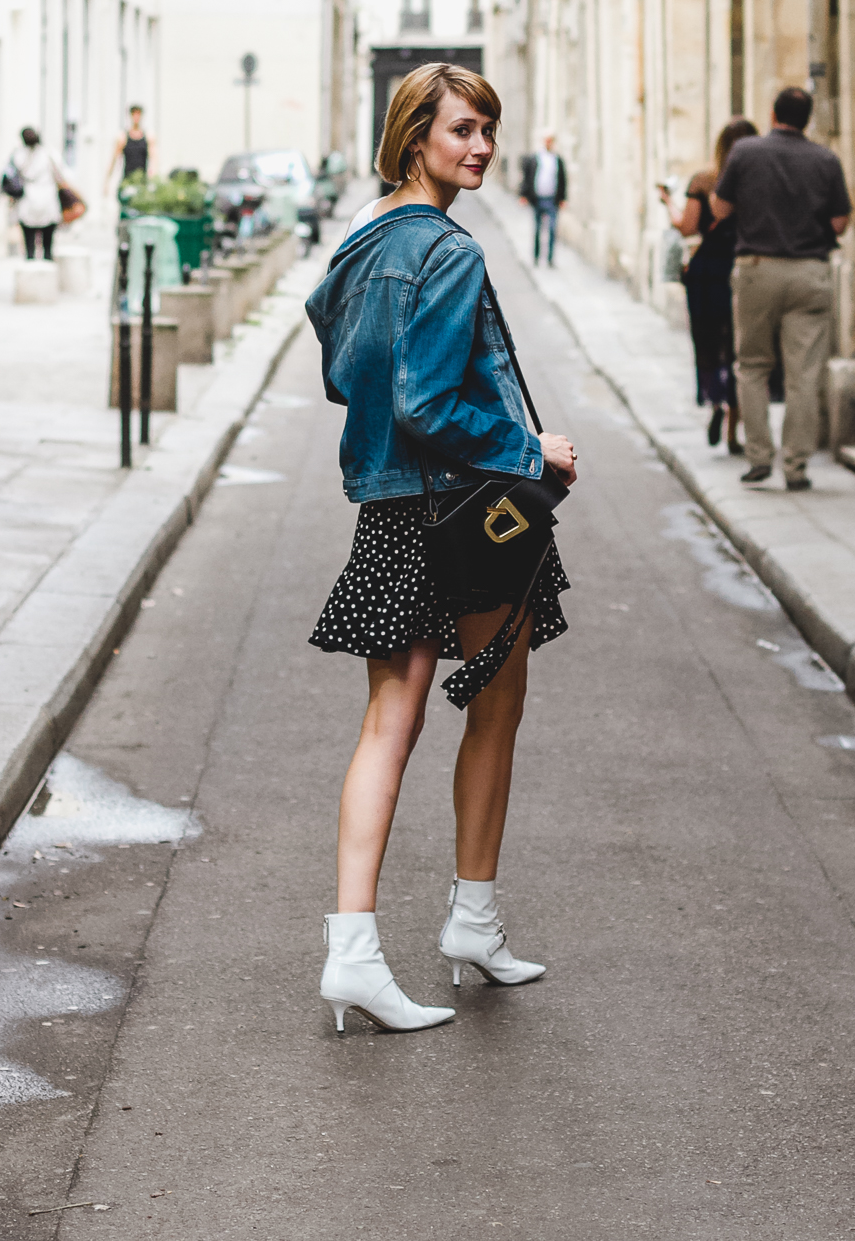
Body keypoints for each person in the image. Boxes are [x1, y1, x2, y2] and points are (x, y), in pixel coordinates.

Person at [305, 62, 578, 1034]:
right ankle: (471, 919)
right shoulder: (447, 251)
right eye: (463, 129)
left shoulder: (362, 241)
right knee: (496, 704)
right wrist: (529, 449)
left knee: (391, 719)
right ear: (416, 132)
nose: (482, 149)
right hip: (467, 511)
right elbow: (428, 401)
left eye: (488, 131)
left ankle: (353, 951)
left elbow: (347, 371)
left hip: (386, 507)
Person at [711, 86, 852, 492]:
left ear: (773, 114)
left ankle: (759, 458)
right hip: (810, 271)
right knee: (803, 374)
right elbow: (841, 222)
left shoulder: (746, 153)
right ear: (807, 119)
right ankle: (796, 466)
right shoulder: (826, 159)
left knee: (752, 366)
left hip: (758, 268)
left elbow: (720, 209)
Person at [660, 117, 758, 453]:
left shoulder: (704, 180)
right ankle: (733, 431)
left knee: (709, 346)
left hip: (706, 273)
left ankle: (716, 405)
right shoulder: (755, 183)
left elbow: (687, 228)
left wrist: (667, 202)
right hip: (743, 271)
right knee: (739, 351)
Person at [9, 127, 74, 262]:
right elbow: (64, 175)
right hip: (48, 203)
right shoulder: (49, 154)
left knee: (29, 248)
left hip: (27, 204)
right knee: (48, 247)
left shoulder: (17, 155)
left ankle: (31, 272)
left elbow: (6, 179)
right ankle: (47, 273)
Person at [519, 133, 568, 266]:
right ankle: (536, 257)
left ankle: (550, 259)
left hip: (552, 199)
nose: (548, 143)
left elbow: (563, 179)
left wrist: (563, 198)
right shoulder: (535, 158)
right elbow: (527, 177)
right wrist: (523, 195)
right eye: (546, 141)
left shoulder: (557, 160)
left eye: (550, 141)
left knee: (552, 229)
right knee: (537, 230)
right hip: (537, 199)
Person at [104, 105, 155, 192]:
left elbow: (154, 160)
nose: (136, 117)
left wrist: (152, 180)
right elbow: (113, 160)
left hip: (142, 182)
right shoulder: (122, 137)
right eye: (134, 114)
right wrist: (107, 182)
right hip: (127, 181)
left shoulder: (148, 137)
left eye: (138, 114)